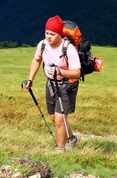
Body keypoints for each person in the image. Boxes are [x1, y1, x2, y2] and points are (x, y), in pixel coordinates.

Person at [23, 15, 81, 152]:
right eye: (47, 33)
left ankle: (60, 150)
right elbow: (36, 60)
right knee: (54, 117)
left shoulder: (69, 49)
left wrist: (60, 71)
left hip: (67, 85)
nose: (48, 37)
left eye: (52, 34)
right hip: (50, 83)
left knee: (60, 119)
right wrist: (30, 79)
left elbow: (76, 73)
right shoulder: (43, 45)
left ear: (59, 34)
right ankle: (72, 138)